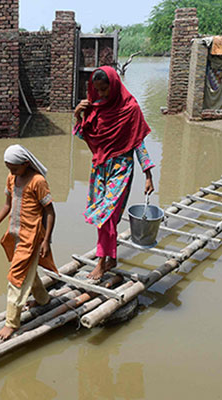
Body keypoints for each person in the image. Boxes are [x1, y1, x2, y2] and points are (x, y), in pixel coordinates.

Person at [73, 66, 155, 281]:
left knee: (107, 215)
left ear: (115, 85)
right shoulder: (97, 107)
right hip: (100, 168)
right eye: (97, 90)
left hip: (121, 168)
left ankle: (101, 263)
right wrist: (78, 115)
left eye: (104, 90)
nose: (101, 95)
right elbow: (86, 136)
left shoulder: (131, 109)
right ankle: (111, 257)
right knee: (103, 216)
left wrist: (148, 174)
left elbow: (138, 143)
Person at [0, 144, 58, 340]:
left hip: (31, 238)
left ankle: (11, 323)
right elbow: (7, 204)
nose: (12, 172)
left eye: (15, 168)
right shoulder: (11, 178)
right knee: (26, 271)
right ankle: (43, 300)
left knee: (15, 278)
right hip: (15, 235)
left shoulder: (38, 182)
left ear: (26, 164)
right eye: (9, 168)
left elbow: (50, 212)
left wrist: (46, 240)